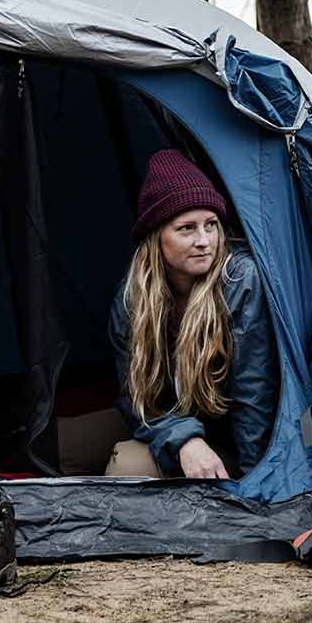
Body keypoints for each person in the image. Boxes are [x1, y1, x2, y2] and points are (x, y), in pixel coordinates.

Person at [105, 148, 279, 479]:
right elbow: (134, 397)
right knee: (59, 444)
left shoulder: (240, 281)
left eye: (211, 225)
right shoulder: (133, 298)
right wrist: (184, 439)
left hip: (231, 442)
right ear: (157, 237)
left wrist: (254, 488)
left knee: (127, 465)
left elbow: (254, 394)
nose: (205, 241)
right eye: (186, 228)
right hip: (171, 427)